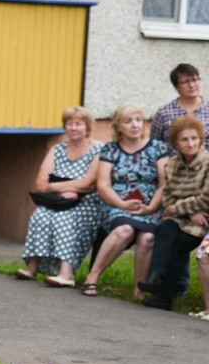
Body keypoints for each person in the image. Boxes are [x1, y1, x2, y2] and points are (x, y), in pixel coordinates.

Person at [80, 104, 168, 297]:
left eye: (138, 120)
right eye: (128, 121)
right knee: (125, 230)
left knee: (148, 237)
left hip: (150, 206)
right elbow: (103, 185)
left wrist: (150, 207)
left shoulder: (158, 148)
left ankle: (139, 288)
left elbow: (164, 184)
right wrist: (121, 204)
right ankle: (93, 277)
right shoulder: (110, 150)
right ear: (118, 126)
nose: (134, 125)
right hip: (117, 204)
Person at [17, 107, 103, 287]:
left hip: (86, 203)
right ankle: (32, 269)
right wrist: (61, 189)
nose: (73, 128)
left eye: (78, 124)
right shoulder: (57, 149)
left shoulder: (98, 149)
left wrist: (54, 186)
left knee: (64, 219)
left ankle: (67, 274)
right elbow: (41, 184)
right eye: (69, 123)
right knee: (40, 215)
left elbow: (89, 183)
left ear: (87, 127)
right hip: (59, 200)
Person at [137, 116, 209, 311]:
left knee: (176, 240)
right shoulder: (172, 164)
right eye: (184, 140)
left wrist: (180, 208)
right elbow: (166, 196)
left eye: (194, 138)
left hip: (203, 221)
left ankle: (160, 287)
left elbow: (206, 199)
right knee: (167, 229)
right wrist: (188, 210)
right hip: (181, 219)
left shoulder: (208, 163)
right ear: (176, 143)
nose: (190, 143)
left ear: (201, 139)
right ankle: (161, 287)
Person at [151, 63, 209, 151]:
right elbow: (154, 145)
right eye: (186, 82)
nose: (192, 85)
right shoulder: (164, 113)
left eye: (194, 80)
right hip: (173, 163)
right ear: (176, 87)